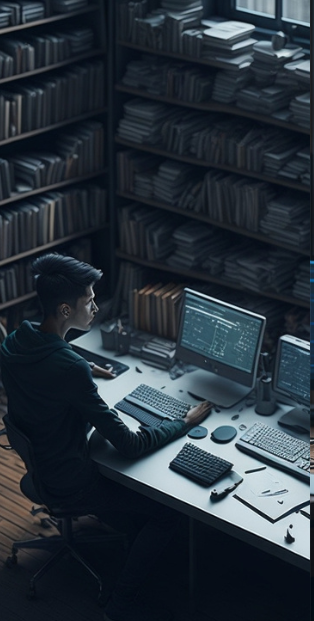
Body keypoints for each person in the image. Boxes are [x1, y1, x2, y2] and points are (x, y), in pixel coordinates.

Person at [0, 254, 211, 621]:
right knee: (167, 515)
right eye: (90, 300)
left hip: (45, 464)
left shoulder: (15, 342)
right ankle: (121, 603)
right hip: (72, 482)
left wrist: (86, 365)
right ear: (66, 310)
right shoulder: (70, 370)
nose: (96, 306)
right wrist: (185, 420)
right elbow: (129, 445)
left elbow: (50, 364)